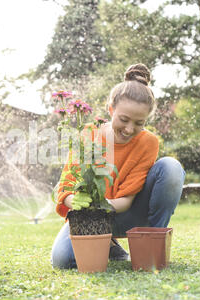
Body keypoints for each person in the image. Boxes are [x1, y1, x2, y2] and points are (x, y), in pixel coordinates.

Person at [51, 63, 186, 269]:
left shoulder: (148, 142)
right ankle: (111, 246)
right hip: (88, 219)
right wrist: (77, 202)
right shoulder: (88, 134)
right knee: (63, 261)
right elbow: (65, 186)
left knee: (171, 168)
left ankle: (152, 244)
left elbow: (127, 199)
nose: (130, 129)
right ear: (111, 109)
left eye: (139, 123)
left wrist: (99, 205)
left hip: (128, 214)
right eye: (123, 119)